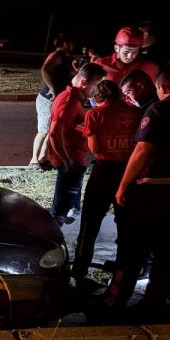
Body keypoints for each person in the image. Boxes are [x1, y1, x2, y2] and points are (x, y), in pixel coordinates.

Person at [105, 65, 170, 315]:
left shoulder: (159, 109)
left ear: (163, 87)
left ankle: (116, 302)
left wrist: (122, 186)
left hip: (154, 191)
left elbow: (143, 150)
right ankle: (157, 300)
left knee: (135, 248)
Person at [71, 80, 142, 290]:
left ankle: (80, 271)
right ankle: (122, 269)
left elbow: (95, 146)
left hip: (103, 171)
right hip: (127, 172)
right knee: (126, 224)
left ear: (99, 97)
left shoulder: (94, 115)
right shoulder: (134, 113)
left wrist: (87, 132)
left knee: (90, 224)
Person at [47, 63, 107, 226]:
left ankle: (69, 213)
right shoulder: (69, 102)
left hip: (76, 160)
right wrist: (66, 159)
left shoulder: (74, 98)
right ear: (84, 83)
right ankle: (55, 237)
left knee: (69, 200)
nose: (98, 89)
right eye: (96, 85)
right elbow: (54, 132)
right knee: (60, 208)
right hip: (71, 161)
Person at [31, 35, 75, 170]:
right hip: (47, 99)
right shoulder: (56, 55)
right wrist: (51, 88)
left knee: (51, 131)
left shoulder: (65, 57)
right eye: (71, 42)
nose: (73, 45)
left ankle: (42, 159)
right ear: (65, 43)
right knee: (43, 131)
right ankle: (33, 160)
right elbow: (44, 69)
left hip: (57, 99)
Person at [94, 26, 159, 84]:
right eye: (126, 52)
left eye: (135, 52)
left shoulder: (150, 68)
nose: (130, 56)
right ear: (116, 48)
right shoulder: (100, 65)